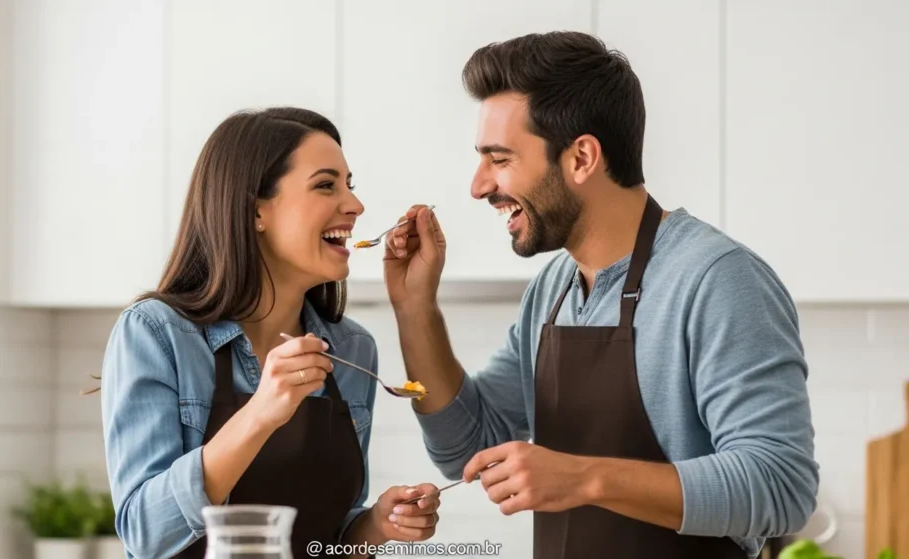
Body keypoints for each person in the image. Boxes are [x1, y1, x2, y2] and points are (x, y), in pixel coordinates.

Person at [381, 31, 818, 558]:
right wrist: (415, 309)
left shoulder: (716, 279)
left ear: (582, 157)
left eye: (499, 159)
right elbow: (470, 448)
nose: (478, 186)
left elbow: (781, 484)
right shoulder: (555, 289)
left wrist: (584, 478)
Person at [99, 107, 441, 559]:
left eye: (349, 185)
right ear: (256, 209)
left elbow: (326, 542)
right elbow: (145, 533)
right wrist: (261, 412)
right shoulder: (156, 334)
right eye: (325, 185)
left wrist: (375, 525)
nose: (355, 205)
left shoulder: (352, 349)